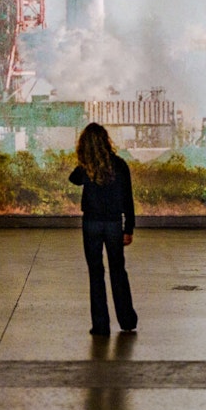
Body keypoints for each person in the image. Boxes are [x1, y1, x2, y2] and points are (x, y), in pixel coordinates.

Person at [69, 123, 138, 336]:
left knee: (96, 274)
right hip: (114, 225)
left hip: (91, 224)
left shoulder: (86, 169)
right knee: (118, 271)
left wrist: (84, 160)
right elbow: (128, 199)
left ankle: (100, 325)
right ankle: (126, 320)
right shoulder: (120, 165)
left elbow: (73, 179)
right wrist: (129, 228)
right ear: (106, 140)